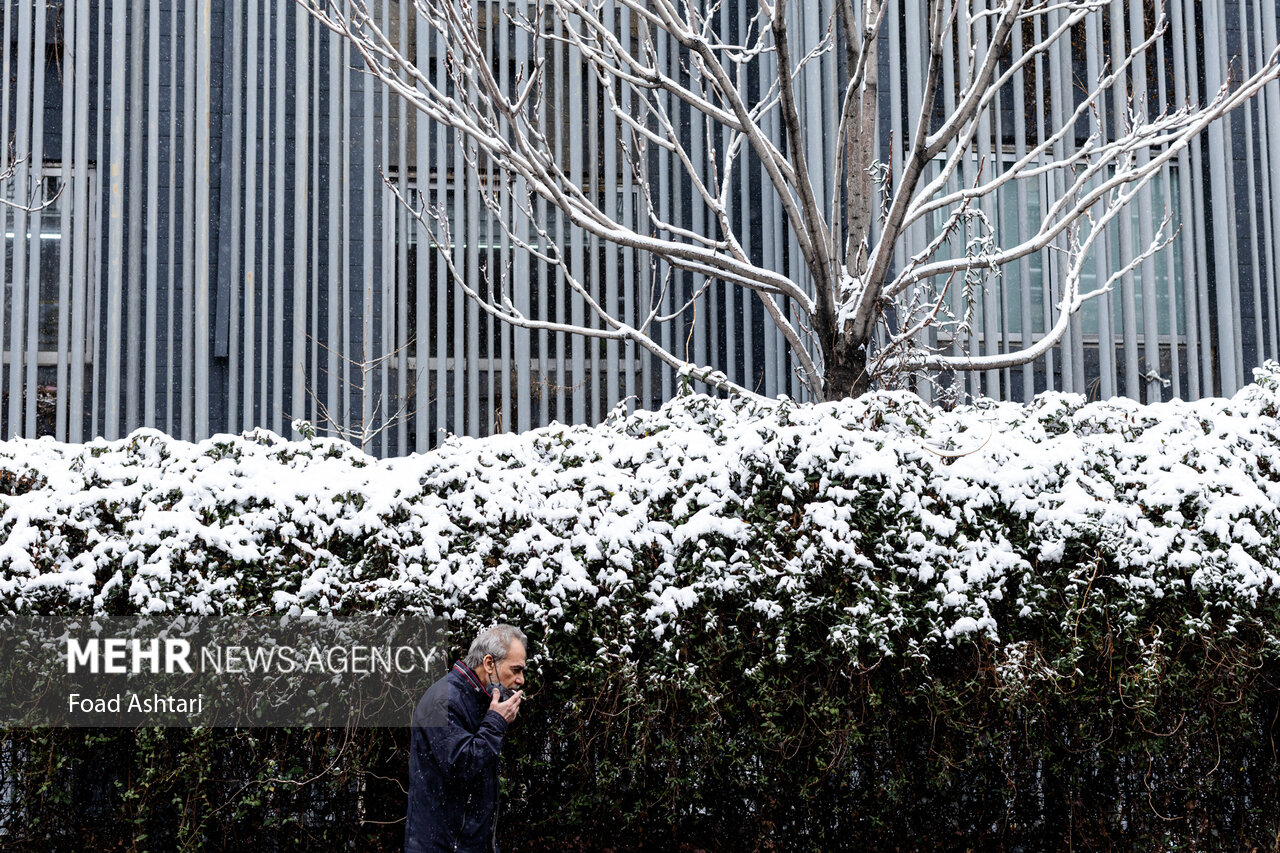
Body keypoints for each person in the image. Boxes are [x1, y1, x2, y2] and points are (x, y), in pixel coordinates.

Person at [405, 624, 527, 853]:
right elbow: (462, 765)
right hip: (443, 845)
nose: (520, 680)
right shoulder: (444, 700)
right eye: (516, 670)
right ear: (490, 663)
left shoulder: (479, 697)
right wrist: (496, 723)